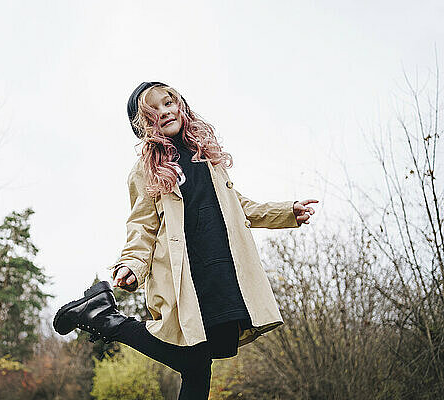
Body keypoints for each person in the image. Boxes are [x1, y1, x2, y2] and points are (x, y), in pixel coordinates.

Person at [54, 81, 318, 399]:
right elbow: (142, 226)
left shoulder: (207, 159)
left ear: (182, 106)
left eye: (169, 103)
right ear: (144, 127)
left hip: (222, 273)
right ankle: (107, 320)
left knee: (197, 366)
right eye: (153, 112)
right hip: (186, 279)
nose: (164, 112)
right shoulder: (146, 170)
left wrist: (287, 211)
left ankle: (103, 317)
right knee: (194, 359)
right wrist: (132, 264)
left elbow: (240, 207)